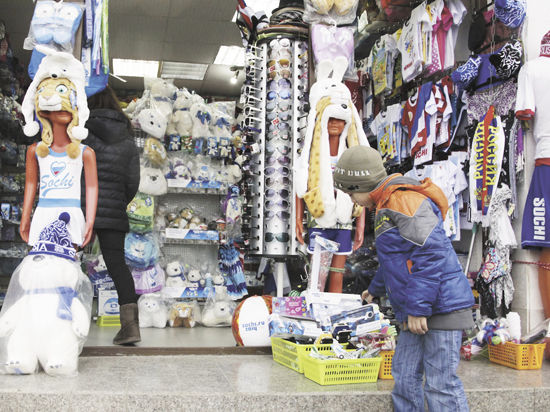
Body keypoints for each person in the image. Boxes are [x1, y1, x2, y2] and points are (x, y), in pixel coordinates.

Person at [333, 145, 475, 412]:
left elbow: (430, 254)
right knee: (405, 377)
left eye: (351, 193)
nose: (353, 200)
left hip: (441, 308)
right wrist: (374, 290)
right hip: (415, 308)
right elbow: (395, 259)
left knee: (440, 383)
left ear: (362, 183)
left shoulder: (402, 200)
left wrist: (418, 308)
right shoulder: (385, 203)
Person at [83, 85, 141, 345]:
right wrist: (117, 201)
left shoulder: (80, 131)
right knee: (118, 266)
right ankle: (130, 328)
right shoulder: (127, 138)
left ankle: (63, 320)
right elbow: (132, 182)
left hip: (82, 208)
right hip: (114, 210)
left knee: (69, 259)